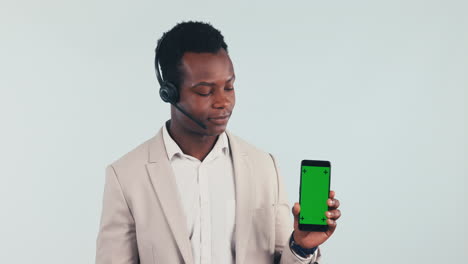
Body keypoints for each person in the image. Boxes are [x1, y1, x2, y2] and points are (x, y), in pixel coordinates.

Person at [95, 21, 341, 264]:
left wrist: (300, 247)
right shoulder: (126, 176)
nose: (224, 102)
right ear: (169, 93)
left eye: (229, 86)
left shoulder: (264, 167)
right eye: (205, 91)